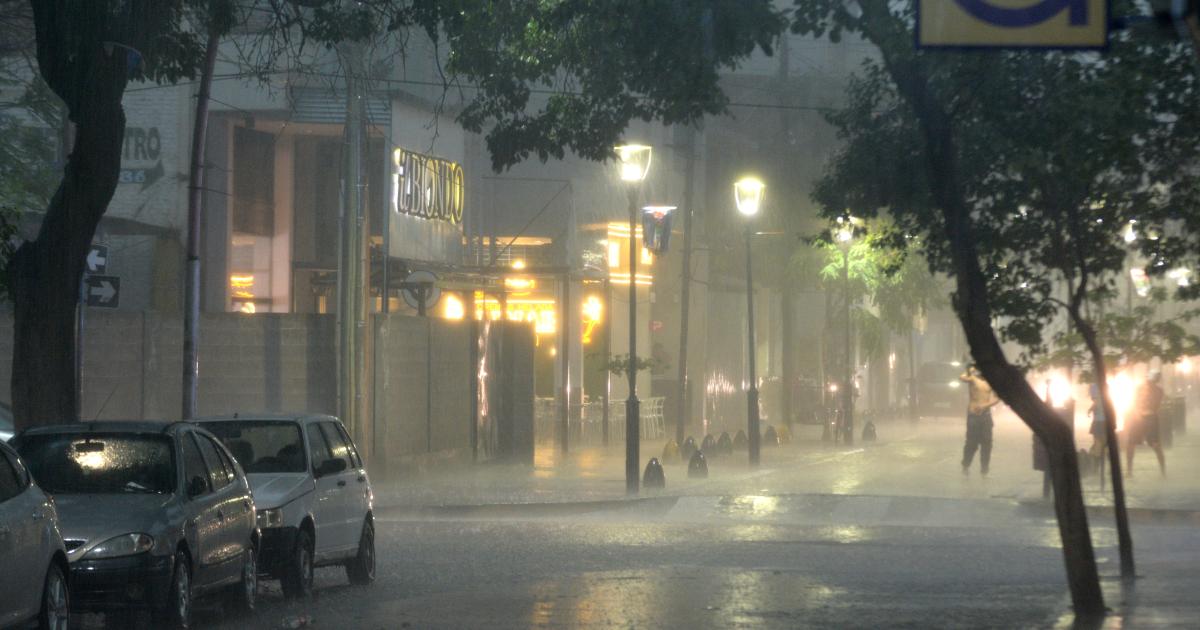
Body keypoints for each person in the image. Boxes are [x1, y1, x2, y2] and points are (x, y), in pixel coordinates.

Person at [960, 364, 1000, 476]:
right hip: (973, 415)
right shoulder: (973, 378)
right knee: (972, 443)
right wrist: (972, 368)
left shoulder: (991, 382)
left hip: (986, 415)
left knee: (987, 443)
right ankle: (965, 465)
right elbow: (962, 377)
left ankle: (984, 469)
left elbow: (997, 398)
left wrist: (984, 406)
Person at [1126, 370, 1166, 477]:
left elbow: (1155, 405)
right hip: (1139, 418)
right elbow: (1134, 402)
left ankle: (1163, 472)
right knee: (1130, 444)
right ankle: (1129, 471)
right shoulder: (1140, 389)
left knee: (1156, 445)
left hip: (1150, 418)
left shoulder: (1158, 391)